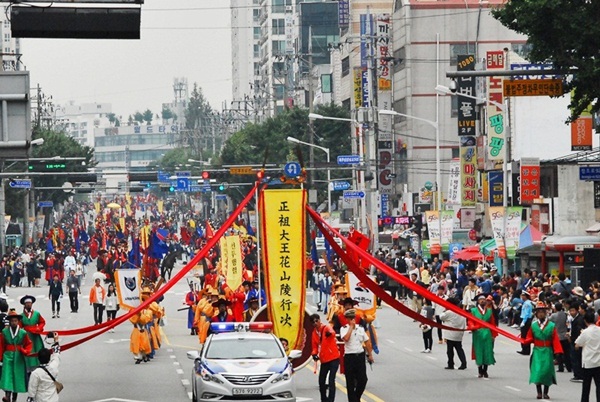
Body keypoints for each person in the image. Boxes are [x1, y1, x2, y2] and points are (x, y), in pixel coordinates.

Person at [523, 301, 563, 400]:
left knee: (547, 371)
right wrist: (524, 341)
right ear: (536, 314)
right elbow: (529, 337)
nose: (540, 313)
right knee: (537, 371)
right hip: (537, 350)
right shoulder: (533, 325)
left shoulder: (551, 325)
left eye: (542, 312)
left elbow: (555, 339)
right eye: (539, 312)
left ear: (546, 313)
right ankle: (539, 392)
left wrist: (557, 352)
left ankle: (546, 392)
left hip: (547, 350)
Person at [340, 309, 373, 402]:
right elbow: (346, 338)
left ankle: (356, 398)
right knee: (350, 382)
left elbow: (367, 342)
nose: (351, 320)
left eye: (352, 318)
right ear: (346, 319)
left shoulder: (360, 329)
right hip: (349, 357)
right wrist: (351, 327)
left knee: (363, 380)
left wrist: (370, 354)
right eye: (349, 318)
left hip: (360, 355)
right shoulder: (344, 328)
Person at [0, 309, 33, 402]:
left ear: (18, 322)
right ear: (9, 322)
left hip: (18, 357)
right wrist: (1, 357)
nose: (14, 323)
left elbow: (28, 343)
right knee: (7, 375)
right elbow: (1, 345)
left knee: (16, 377)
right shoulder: (4, 332)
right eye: (12, 321)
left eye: (15, 321)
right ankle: (7, 396)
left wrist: (25, 351)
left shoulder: (23, 333)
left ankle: (14, 399)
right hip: (7, 356)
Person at [310, 313, 340, 402]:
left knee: (331, 380)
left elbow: (333, 332)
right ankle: (324, 399)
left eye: (316, 320)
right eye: (313, 322)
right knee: (321, 381)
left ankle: (331, 400)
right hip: (324, 360)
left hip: (333, 358)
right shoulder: (314, 333)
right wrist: (314, 354)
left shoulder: (326, 328)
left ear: (319, 320)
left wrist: (329, 333)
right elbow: (314, 346)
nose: (315, 323)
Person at [26, 334, 60, 402]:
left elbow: (31, 392)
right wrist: (56, 341)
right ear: (49, 358)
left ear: (38, 358)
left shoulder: (35, 373)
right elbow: (56, 354)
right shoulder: (54, 367)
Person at [575, 310, 600, 402]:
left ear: (585, 320)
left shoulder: (585, 332)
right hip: (598, 361)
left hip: (588, 362)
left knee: (586, 386)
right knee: (599, 385)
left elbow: (577, 344)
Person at [470, 294, 496, 378]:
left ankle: (485, 370)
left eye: (484, 300)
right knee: (479, 351)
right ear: (478, 301)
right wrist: (472, 327)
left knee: (487, 351)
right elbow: (470, 321)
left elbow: (492, 323)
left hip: (487, 333)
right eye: (481, 300)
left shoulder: (489, 311)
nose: (482, 301)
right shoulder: (473, 310)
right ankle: (480, 370)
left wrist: (493, 335)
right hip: (477, 333)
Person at [440, 296, 467, 370]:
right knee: (459, 349)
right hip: (459, 333)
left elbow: (441, 317)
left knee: (450, 350)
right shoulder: (461, 312)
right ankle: (463, 363)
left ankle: (450, 363)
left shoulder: (449, 312)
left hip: (450, 334)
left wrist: (444, 311)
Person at [20, 296, 45, 370]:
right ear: (24, 304)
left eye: (30, 303)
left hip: (35, 336)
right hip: (26, 336)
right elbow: (19, 327)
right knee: (28, 351)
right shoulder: (21, 316)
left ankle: (39, 366)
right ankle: (28, 368)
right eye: (27, 303)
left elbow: (42, 322)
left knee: (37, 349)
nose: (28, 305)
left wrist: (38, 328)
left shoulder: (37, 314)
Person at [549, 302, 572, 373]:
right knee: (566, 353)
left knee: (558, 353)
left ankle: (561, 367)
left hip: (557, 336)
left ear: (555, 308)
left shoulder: (553, 315)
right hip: (565, 335)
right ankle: (569, 367)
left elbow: (548, 321)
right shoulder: (565, 314)